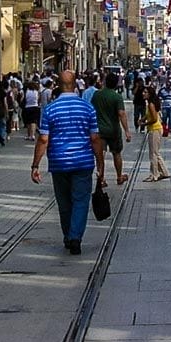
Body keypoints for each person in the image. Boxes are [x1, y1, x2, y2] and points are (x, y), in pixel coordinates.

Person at [31, 70, 104, 255]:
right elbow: (95, 138)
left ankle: (68, 236)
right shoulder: (87, 108)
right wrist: (100, 163)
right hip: (83, 163)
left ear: (58, 86)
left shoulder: (50, 109)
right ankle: (75, 237)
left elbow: (43, 139)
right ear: (75, 85)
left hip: (59, 163)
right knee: (80, 201)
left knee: (64, 203)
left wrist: (35, 165)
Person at [91, 73, 133, 185]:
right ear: (116, 84)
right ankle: (119, 176)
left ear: (104, 81)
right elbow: (121, 114)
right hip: (114, 130)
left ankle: (101, 178)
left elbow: (91, 111)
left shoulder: (96, 95)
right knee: (117, 153)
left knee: (100, 155)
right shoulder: (117, 97)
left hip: (99, 130)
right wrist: (127, 131)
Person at [138, 84, 170, 181]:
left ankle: (154, 175)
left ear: (150, 94)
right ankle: (164, 172)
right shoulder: (150, 103)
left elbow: (155, 119)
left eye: (145, 92)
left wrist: (145, 124)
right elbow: (150, 115)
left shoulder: (151, 104)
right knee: (156, 152)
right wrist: (143, 119)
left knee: (153, 154)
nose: (143, 93)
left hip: (154, 129)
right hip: (155, 129)